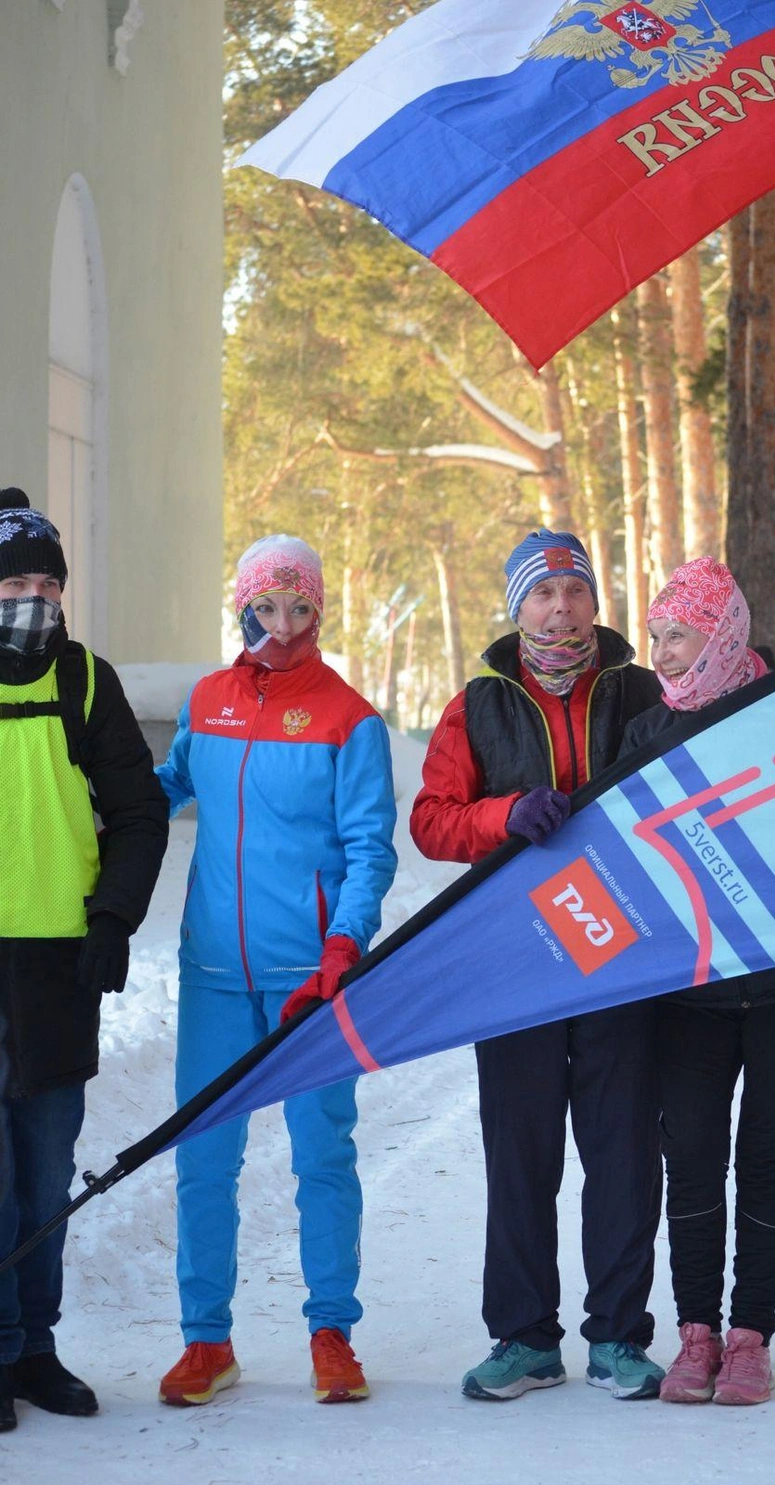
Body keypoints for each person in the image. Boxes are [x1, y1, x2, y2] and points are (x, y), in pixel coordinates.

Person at [410, 529, 665, 1403]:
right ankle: (524, 1337)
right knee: (520, 1152)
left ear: (597, 601)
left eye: (576, 591)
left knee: (623, 1147)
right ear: (517, 607)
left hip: (618, 950)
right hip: (514, 956)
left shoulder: (640, 688)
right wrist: (507, 813)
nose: (562, 607)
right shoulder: (477, 703)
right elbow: (433, 821)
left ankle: (620, 1339)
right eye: (543, 593)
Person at [156, 534, 397, 1408]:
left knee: (322, 1156)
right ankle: (206, 1340)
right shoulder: (208, 702)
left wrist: (346, 946)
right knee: (204, 1159)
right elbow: (169, 783)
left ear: (320, 609)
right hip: (216, 970)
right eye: (267, 606)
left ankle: (332, 1332)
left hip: (311, 980)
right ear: (244, 605)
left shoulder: (349, 719)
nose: (283, 625)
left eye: (300, 608)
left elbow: (372, 849)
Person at [618, 555, 775, 1406]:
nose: (664, 653)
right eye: (656, 636)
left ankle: (750, 1333)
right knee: (694, 1161)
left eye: (678, 633)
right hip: (689, 997)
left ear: (720, 632)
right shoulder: (646, 736)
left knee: (766, 1156)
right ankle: (695, 1334)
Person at [0, 488, 168, 1432]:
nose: (32, 597)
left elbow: (141, 813)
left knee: (43, 1166)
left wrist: (113, 918)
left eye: (46, 582)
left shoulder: (87, 682)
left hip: (60, 963)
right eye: (14, 581)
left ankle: (34, 1348)